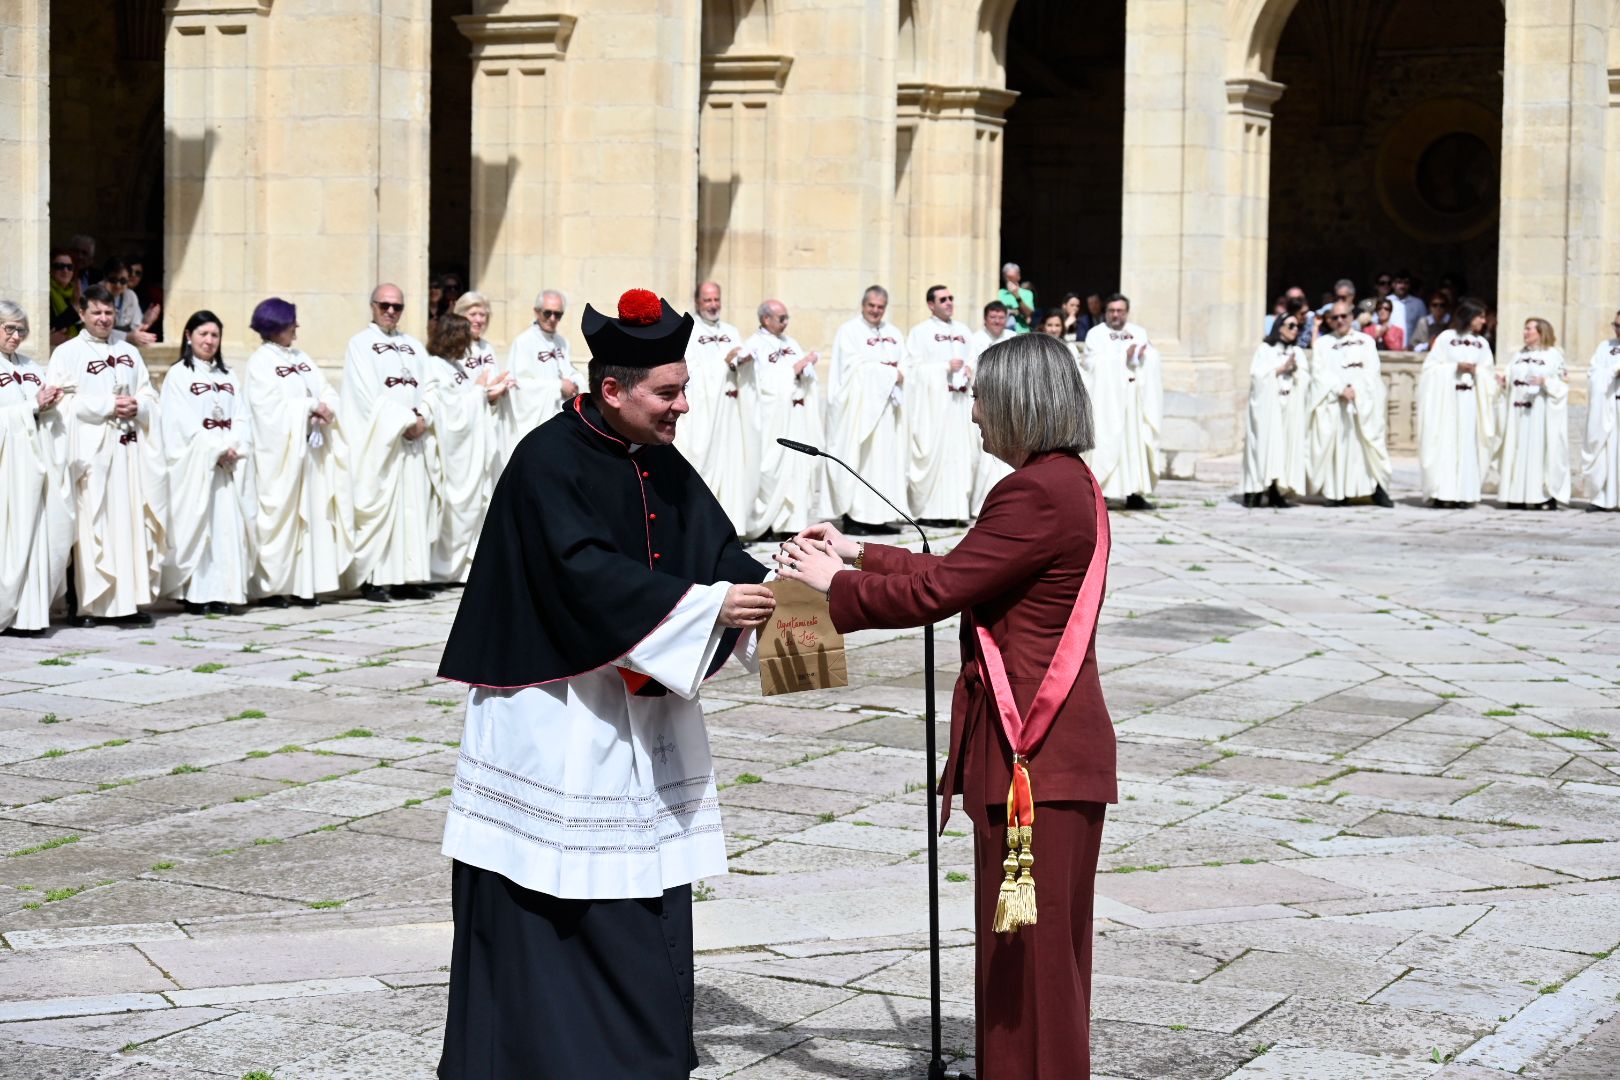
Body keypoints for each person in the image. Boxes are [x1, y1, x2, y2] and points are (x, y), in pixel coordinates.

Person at [435, 287, 775, 1080]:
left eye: (684, 388)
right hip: (555, 716)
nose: (683, 406)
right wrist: (709, 606)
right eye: (669, 392)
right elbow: (581, 574)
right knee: (555, 896)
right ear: (612, 390)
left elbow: (715, 550)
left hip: (631, 715)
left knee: (641, 885)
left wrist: (778, 585)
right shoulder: (546, 461)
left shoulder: (659, 457)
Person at [776, 332, 1116, 1080]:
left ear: (1020, 404)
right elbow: (970, 568)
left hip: (1036, 755)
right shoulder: (1064, 483)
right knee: (1022, 959)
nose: (974, 419)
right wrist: (863, 555)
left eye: (983, 402)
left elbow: (939, 592)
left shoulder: (1032, 491)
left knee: (1035, 965)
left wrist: (834, 583)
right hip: (1050, 755)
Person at [46, 284, 166, 626]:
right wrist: (106, 405)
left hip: (127, 453)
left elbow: (150, 395)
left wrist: (138, 405)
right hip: (92, 455)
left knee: (129, 524)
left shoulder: (128, 352)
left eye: (109, 312)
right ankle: (90, 605)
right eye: (96, 312)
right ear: (82, 314)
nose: (103, 319)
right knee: (93, 526)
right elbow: (60, 405)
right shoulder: (66, 353)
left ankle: (127, 602)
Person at [244, 297, 351, 607]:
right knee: (285, 517)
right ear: (275, 326)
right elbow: (266, 411)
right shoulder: (261, 362)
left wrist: (326, 408)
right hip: (283, 457)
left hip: (309, 453)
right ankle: (274, 587)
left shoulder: (300, 357)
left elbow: (325, 388)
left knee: (313, 517)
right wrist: (307, 408)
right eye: (292, 323)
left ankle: (306, 586)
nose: (297, 328)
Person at [341, 283, 435, 602]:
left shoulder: (413, 345)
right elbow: (366, 396)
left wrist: (424, 415)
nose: (391, 312)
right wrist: (405, 421)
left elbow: (432, 386)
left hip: (413, 443)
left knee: (412, 509)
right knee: (383, 509)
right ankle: (375, 579)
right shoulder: (360, 344)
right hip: (383, 444)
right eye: (385, 306)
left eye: (397, 307)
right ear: (373, 306)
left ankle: (407, 578)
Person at [160, 311, 255, 615]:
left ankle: (222, 592)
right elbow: (180, 422)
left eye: (215, 335)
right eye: (203, 334)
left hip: (226, 467)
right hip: (197, 466)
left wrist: (233, 447)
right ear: (189, 336)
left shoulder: (228, 377)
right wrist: (214, 449)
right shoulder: (179, 375)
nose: (209, 341)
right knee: (199, 527)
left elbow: (241, 416)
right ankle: (196, 593)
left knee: (225, 529)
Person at [0, 302, 72, 636]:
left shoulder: (31, 365)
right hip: (8, 470)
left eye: (21, 330)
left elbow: (42, 407)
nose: (16, 336)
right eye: (9, 329)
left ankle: (30, 614)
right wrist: (31, 406)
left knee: (40, 532)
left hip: (36, 463)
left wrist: (50, 402)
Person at [426, 312, 504, 584]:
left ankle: (462, 567)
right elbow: (446, 407)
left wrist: (484, 392)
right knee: (451, 509)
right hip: (453, 452)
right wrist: (480, 392)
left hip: (470, 448)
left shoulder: (456, 366)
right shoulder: (434, 366)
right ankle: (442, 569)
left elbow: (466, 398)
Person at [741, 300, 826, 540]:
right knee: (770, 469)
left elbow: (801, 372)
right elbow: (760, 384)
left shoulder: (791, 343)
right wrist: (793, 371)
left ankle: (790, 522)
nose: (786, 322)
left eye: (787, 317)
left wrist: (806, 369)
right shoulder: (755, 345)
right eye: (781, 318)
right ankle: (765, 524)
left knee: (798, 467)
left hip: (795, 416)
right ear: (766, 319)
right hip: (772, 420)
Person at [827, 285, 907, 535]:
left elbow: (906, 363)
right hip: (860, 413)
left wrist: (896, 372)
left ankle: (879, 517)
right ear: (863, 305)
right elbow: (852, 369)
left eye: (880, 307)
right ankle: (855, 518)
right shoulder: (849, 331)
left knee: (884, 463)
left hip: (886, 410)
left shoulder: (893, 332)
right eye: (871, 305)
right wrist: (889, 372)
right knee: (862, 460)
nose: (875, 311)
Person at [1307, 300, 1393, 507]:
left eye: (1344, 316)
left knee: (1368, 447)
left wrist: (1357, 390)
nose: (1340, 321)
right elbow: (1319, 373)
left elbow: (1372, 371)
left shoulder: (1366, 341)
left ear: (1352, 317)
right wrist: (1340, 389)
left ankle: (1376, 489)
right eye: (1335, 318)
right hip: (1336, 405)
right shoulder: (1322, 344)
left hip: (1362, 405)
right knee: (1340, 448)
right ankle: (1338, 492)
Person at [906, 285, 978, 526]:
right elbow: (912, 371)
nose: (949, 302)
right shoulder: (920, 332)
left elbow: (974, 360)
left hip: (959, 406)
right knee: (935, 455)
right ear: (930, 304)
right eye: (943, 299)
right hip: (934, 410)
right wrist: (944, 368)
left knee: (959, 456)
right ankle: (932, 512)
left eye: (951, 298)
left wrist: (969, 370)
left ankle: (955, 511)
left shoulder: (964, 331)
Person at [1081, 294, 1161, 510]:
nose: (1116, 315)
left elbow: (1151, 358)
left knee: (1134, 444)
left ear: (1127, 311)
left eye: (1120, 311)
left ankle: (1134, 493)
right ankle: (1102, 493)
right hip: (1107, 403)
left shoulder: (1138, 332)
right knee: (1105, 444)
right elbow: (1090, 363)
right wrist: (1121, 359)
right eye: (1112, 311)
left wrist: (1145, 357)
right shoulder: (1096, 334)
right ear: (1106, 312)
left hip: (1134, 400)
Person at [686, 282, 753, 535]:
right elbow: (689, 372)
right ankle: (704, 528)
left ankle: (731, 527)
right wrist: (722, 363)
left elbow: (737, 368)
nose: (713, 305)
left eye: (716, 299)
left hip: (730, 411)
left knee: (733, 467)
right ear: (697, 302)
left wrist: (741, 363)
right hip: (704, 415)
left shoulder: (731, 330)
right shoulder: (690, 331)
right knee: (707, 467)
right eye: (707, 300)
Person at [1418, 297, 1498, 509]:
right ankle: (1443, 492)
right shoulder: (1446, 338)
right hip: (1447, 402)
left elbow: (1488, 373)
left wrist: (1477, 372)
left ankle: (1464, 493)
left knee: (1466, 445)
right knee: (1446, 443)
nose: (1483, 321)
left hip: (1470, 402)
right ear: (1469, 317)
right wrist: (1454, 368)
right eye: (1480, 316)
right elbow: (1430, 369)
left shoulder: (1482, 344)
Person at [1496, 317, 1569, 511]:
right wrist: (1503, 381)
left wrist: (1545, 382)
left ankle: (1541, 497)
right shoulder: (1518, 355)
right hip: (1517, 411)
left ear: (1541, 332)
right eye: (1525, 329)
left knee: (1538, 452)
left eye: (1529, 329)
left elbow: (1562, 384)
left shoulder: (1554, 355)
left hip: (1539, 412)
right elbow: (1510, 375)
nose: (1525, 333)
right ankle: (1515, 495)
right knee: (1516, 449)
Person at [504, 289, 581, 454]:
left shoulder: (563, 343)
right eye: (548, 313)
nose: (553, 319)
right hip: (538, 421)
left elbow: (570, 371)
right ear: (537, 312)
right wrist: (557, 387)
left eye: (558, 314)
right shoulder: (523, 343)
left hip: (562, 419)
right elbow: (518, 386)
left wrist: (575, 383)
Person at [1242, 312, 1307, 508]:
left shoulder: (1298, 352)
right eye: (1290, 325)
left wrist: (1295, 371)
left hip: (1287, 406)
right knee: (1262, 446)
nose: (1295, 329)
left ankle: (1275, 490)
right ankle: (1253, 490)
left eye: (1297, 326)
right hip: (1268, 408)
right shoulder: (1265, 350)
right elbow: (1257, 376)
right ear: (1279, 327)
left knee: (1283, 448)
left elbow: (1306, 378)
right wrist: (1280, 369)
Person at [452, 291, 515, 471]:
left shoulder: (487, 347)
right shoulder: (454, 348)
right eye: (473, 314)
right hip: (466, 429)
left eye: (483, 315)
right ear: (460, 315)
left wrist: (500, 387)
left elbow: (491, 382)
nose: (479, 320)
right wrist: (485, 393)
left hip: (489, 426)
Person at [1582, 312, 1620, 511]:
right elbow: (1592, 373)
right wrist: (1613, 371)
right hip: (1608, 407)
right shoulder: (1605, 347)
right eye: (1615, 324)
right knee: (1607, 452)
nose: (1617, 329)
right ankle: (1603, 498)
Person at [101, 257, 157, 349]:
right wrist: (126, 336)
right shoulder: (94, 295)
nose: (118, 285)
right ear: (105, 277)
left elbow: (136, 327)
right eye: (113, 280)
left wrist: (145, 323)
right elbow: (95, 329)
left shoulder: (130, 295)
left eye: (123, 281)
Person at [48, 248, 82, 348]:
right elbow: (52, 328)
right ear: (50, 268)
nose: (65, 270)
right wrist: (75, 306)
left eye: (69, 267)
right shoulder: (45, 292)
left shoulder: (74, 292)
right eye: (59, 266)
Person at [997, 262, 1035, 333]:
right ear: (1003, 277)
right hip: (1003, 333)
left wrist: (1016, 295)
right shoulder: (998, 293)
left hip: (1021, 333)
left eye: (1012, 278)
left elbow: (1028, 314)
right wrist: (1014, 311)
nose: (1009, 281)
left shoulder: (1027, 293)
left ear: (1018, 276)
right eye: (1007, 278)